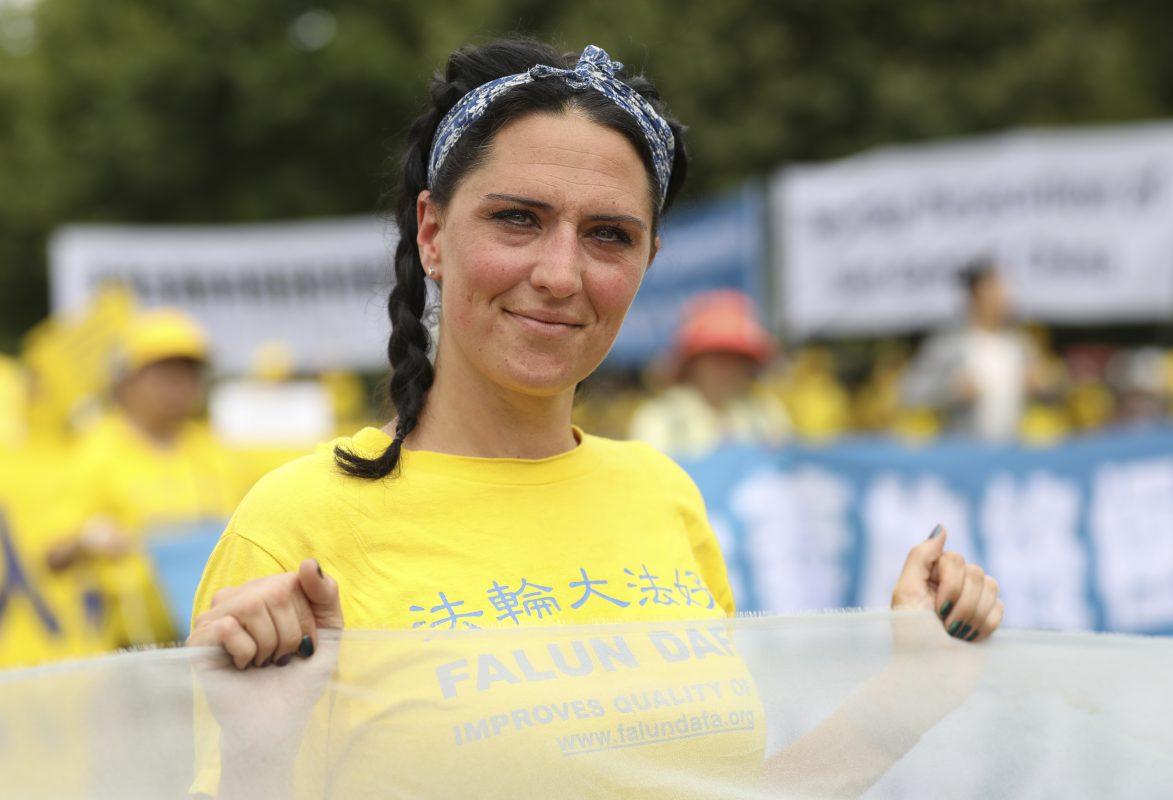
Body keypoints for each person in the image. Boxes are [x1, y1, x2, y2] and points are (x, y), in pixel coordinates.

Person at [186, 40, 1003, 796]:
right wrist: (259, 757)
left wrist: (912, 692)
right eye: (518, 219)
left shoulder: (660, 494)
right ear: (432, 233)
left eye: (609, 235)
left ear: (648, 262)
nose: (559, 273)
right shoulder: (297, 525)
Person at [47, 308, 245, 646]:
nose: (179, 386)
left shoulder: (213, 451)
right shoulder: (93, 451)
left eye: (188, 373)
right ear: (125, 380)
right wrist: (87, 538)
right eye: (164, 373)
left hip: (213, 636)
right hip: (129, 647)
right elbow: (51, 554)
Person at [627, 290, 793, 456]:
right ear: (693, 363)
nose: (727, 368)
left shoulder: (766, 415)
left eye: (736, 358)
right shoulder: (659, 419)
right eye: (716, 357)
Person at [902, 260, 1047, 442]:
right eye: (995, 290)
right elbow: (910, 393)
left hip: (1012, 453)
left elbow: (1052, 393)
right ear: (975, 295)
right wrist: (952, 391)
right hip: (965, 454)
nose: (1004, 298)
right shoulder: (948, 344)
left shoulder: (1021, 345)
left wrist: (1041, 388)